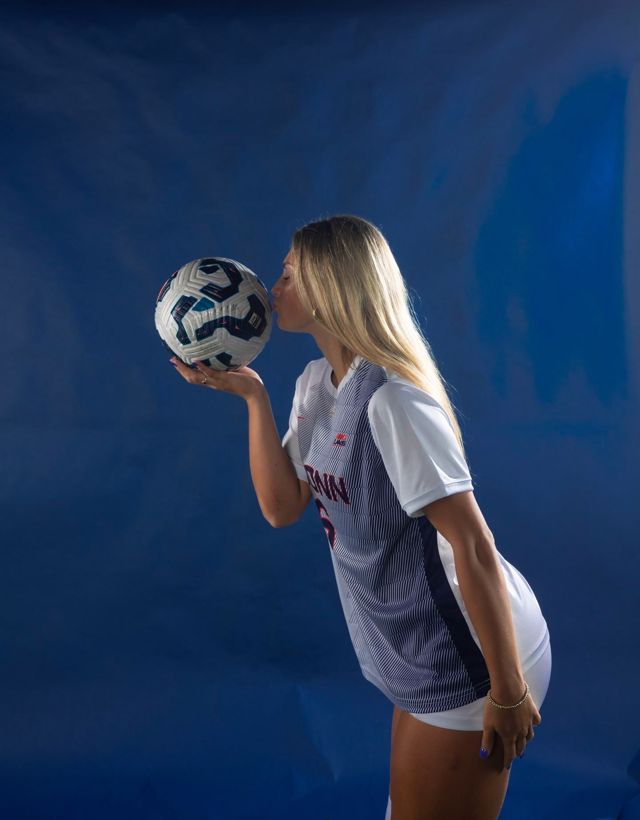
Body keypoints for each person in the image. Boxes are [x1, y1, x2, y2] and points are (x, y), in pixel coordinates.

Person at [169, 214, 552, 820]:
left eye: (289, 274)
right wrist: (253, 397)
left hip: (474, 647)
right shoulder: (316, 385)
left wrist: (507, 690)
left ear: (330, 287)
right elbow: (282, 507)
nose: (272, 288)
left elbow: (474, 545)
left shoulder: (392, 401)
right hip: (417, 642)